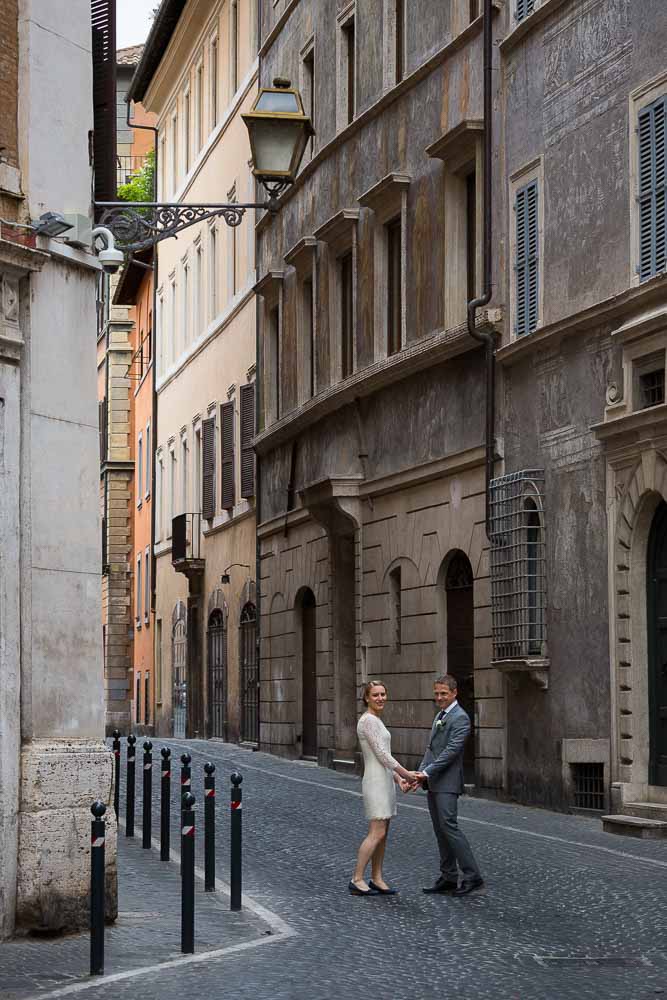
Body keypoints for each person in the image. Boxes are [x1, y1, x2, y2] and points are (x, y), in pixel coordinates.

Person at [412, 674, 484, 897]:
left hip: (448, 782)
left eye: (443, 693)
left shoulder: (460, 718)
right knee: (440, 830)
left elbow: (450, 753)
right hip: (434, 781)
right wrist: (419, 773)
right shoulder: (440, 715)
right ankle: (449, 876)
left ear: (454, 693)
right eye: (436, 693)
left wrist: (426, 772)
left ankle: (473, 876)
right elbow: (431, 749)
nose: (439, 697)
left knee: (449, 827)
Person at [350, 680, 418, 896]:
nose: (380, 698)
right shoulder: (368, 721)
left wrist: (399, 780)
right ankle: (357, 878)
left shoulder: (376, 720)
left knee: (383, 833)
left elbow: (384, 758)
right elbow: (381, 755)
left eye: (383, 694)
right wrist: (407, 773)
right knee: (376, 832)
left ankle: (377, 877)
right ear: (367, 698)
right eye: (375, 695)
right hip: (375, 781)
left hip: (384, 779)